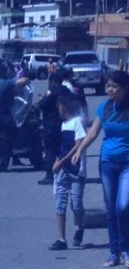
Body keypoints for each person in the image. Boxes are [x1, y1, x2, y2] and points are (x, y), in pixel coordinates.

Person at [72, 71, 129, 267]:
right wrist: (79, 150)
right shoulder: (104, 107)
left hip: (127, 165)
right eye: (108, 86)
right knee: (111, 209)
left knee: (123, 206)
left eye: (113, 86)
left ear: (124, 88)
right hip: (107, 163)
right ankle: (114, 252)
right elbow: (93, 132)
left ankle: (126, 250)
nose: (109, 90)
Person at [48, 94, 87, 250]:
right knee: (60, 204)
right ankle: (61, 239)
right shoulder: (63, 125)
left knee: (76, 205)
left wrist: (62, 161)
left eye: (59, 106)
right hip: (62, 170)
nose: (58, 110)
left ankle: (79, 226)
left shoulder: (77, 122)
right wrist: (57, 162)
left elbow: (78, 145)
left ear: (64, 106)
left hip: (76, 169)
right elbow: (62, 147)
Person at [0, 64, 29, 165]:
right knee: (18, 127)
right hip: (3, 117)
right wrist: (26, 79)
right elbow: (21, 81)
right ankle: (17, 147)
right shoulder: (6, 83)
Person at [36, 71, 73, 185]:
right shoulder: (66, 90)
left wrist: (38, 105)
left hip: (51, 125)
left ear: (52, 81)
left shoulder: (51, 91)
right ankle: (65, 173)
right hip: (64, 124)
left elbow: (43, 104)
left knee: (49, 150)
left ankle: (49, 175)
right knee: (62, 149)